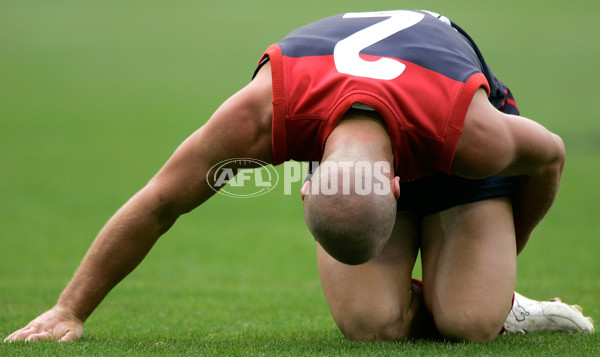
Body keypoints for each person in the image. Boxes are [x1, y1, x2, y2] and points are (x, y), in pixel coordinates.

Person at [4, 9, 594, 343]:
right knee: (371, 327)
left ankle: (497, 301)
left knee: (468, 323)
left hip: (446, 146)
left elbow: (551, 157)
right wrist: (69, 309)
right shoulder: (259, 117)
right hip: (364, 129)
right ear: (309, 178)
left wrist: (507, 253)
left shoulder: (477, 138)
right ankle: (455, 285)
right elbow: (161, 201)